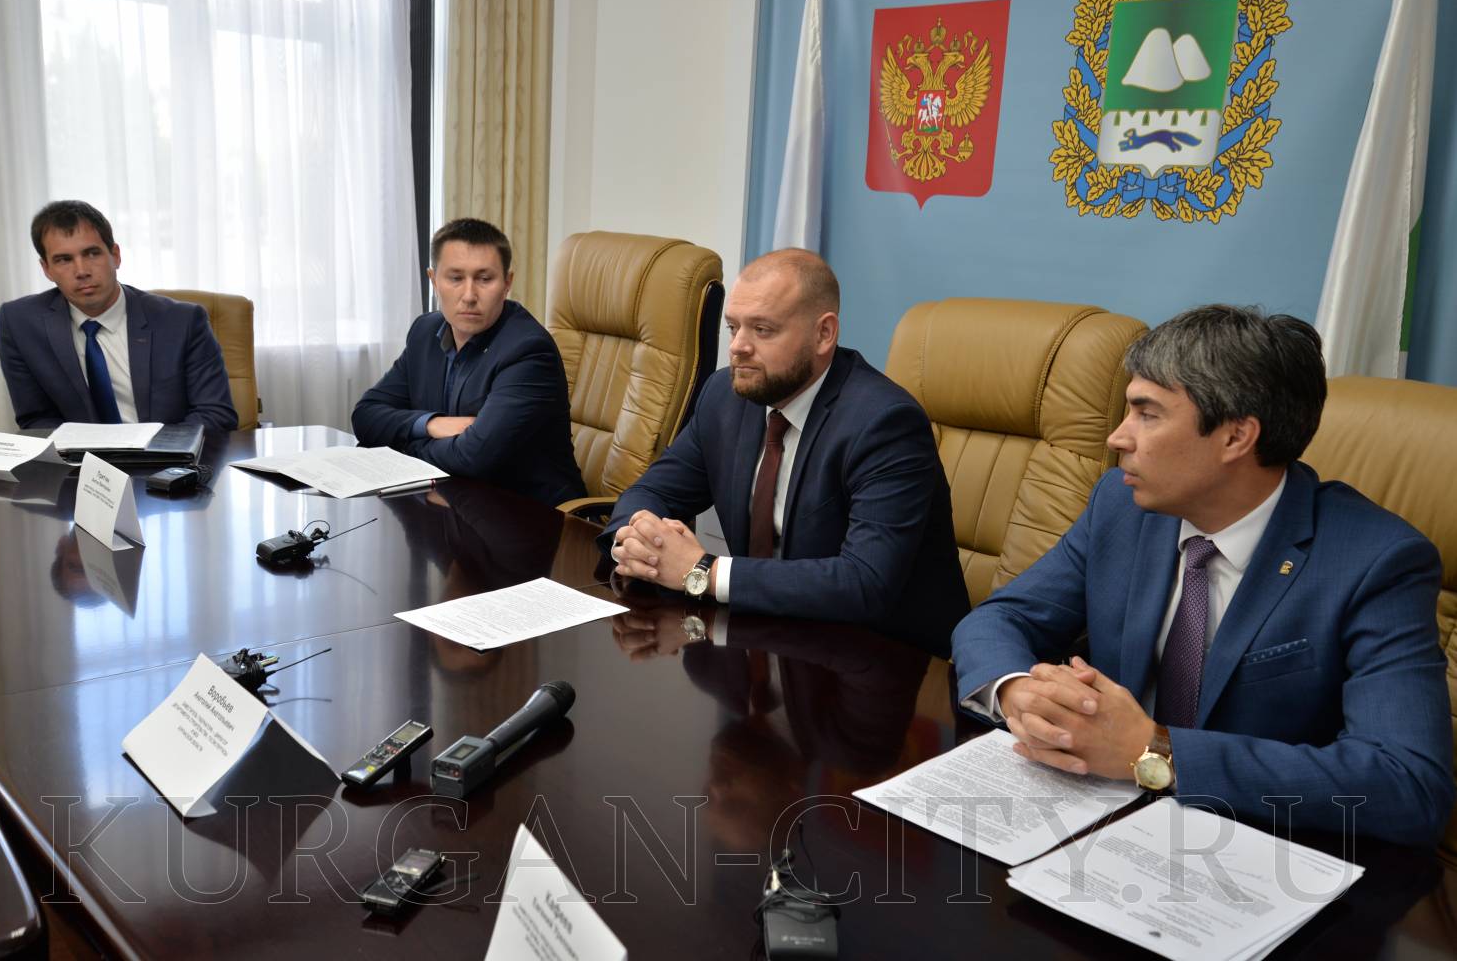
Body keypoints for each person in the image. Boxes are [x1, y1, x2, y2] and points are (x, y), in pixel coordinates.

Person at [951, 305, 1452, 846]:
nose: (1118, 438)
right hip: (1095, 816)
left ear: (1236, 437)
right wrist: (1017, 691)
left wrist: (1156, 752)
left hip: (1253, 845)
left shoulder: (1377, 561)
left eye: (1147, 414)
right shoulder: (1120, 505)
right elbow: (1001, 619)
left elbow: (1408, 784)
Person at [601, 248, 967, 656]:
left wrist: (703, 571)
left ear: (824, 334)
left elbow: (864, 583)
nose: (738, 347)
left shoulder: (885, 424)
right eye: (733, 327)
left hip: (884, 660)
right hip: (762, 640)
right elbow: (650, 492)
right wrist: (638, 542)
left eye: (762, 329)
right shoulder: (725, 396)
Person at [352, 217, 584, 508]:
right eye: (455, 278)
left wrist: (395, 448)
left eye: (484, 279)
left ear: (507, 283)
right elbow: (366, 415)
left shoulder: (528, 350)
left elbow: (473, 457)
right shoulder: (425, 332)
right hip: (455, 505)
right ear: (434, 280)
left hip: (531, 516)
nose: (469, 295)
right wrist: (430, 424)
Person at [0, 200, 238, 431]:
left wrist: (150, 449)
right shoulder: (20, 323)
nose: (81, 271)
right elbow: (36, 419)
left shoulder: (182, 321)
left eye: (92, 253)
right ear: (47, 269)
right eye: (64, 260)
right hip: (80, 456)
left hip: (167, 454)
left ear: (115, 255)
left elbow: (215, 414)